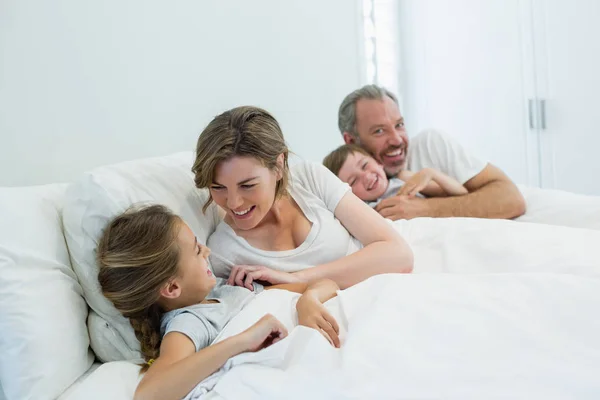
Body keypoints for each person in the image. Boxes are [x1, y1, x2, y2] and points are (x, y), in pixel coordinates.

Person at [97, 204, 341, 400]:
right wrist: (244, 340)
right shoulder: (189, 321)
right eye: (196, 250)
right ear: (172, 287)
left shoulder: (227, 290)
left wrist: (308, 301)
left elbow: (328, 284)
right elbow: (149, 394)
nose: (207, 251)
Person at [191, 106, 413, 291]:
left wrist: (299, 278)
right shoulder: (224, 254)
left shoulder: (309, 178)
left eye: (247, 185)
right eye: (218, 187)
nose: (233, 203)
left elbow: (399, 253)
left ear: (279, 166)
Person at [337, 84, 526, 220]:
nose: (396, 139)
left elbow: (511, 199)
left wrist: (427, 208)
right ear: (351, 141)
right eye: (379, 131)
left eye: (399, 125)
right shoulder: (343, 183)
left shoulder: (430, 144)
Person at [323, 143, 467, 207]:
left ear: (378, 162)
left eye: (365, 165)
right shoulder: (362, 209)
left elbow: (461, 194)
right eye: (353, 181)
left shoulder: (403, 179)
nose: (366, 177)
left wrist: (431, 173)